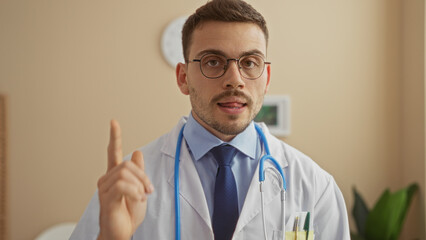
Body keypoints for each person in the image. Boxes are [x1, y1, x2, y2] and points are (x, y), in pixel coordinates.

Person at [70, 0, 350, 239]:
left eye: (250, 62)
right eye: (213, 61)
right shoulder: (126, 187)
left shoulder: (314, 185)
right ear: (183, 77)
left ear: (266, 78)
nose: (234, 80)